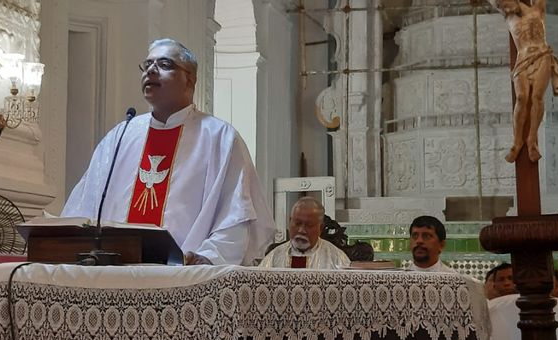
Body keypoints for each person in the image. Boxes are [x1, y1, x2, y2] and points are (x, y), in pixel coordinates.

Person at [62, 38, 274, 266]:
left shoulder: (220, 137)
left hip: (185, 275)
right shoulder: (121, 135)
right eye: (147, 64)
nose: (151, 70)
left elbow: (235, 217)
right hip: (116, 271)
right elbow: (86, 202)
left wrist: (210, 257)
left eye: (164, 64)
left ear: (190, 80)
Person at [488, 0, 558, 163]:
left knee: (537, 97)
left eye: (505, 3)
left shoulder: (537, 9)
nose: (505, 7)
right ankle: (517, 141)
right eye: (502, 6)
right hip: (522, 59)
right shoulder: (508, 18)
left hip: (541, 55)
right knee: (522, 97)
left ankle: (531, 140)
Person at [258, 197, 351, 269]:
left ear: (321, 228)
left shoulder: (336, 259)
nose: (301, 230)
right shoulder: (274, 257)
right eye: (297, 223)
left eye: (309, 225)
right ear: (289, 222)